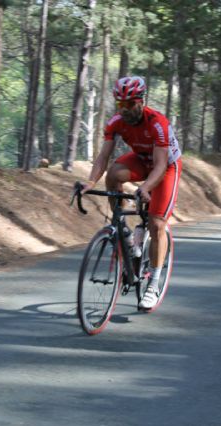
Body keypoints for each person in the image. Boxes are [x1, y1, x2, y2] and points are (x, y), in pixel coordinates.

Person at [80, 76, 183, 310]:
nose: (124, 109)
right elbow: (103, 157)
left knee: (156, 223)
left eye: (129, 104)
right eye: (120, 104)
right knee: (113, 174)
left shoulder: (158, 123)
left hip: (165, 166)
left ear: (141, 102)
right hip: (141, 159)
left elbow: (160, 165)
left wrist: (145, 188)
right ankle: (124, 232)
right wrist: (90, 182)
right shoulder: (115, 122)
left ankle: (153, 284)